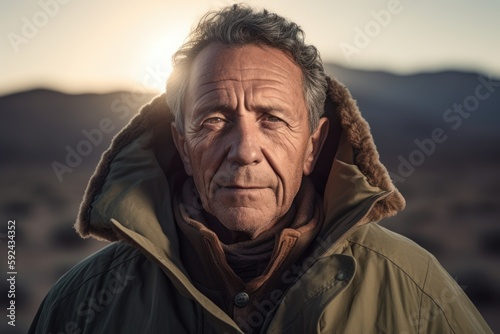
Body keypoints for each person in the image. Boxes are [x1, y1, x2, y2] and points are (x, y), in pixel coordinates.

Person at [29, 4, 492, 333]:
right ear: (183, 147)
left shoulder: (415, 288)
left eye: (271, 119)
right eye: (214, 120)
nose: (244, 149)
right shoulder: (81, 305)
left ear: (312, 146)